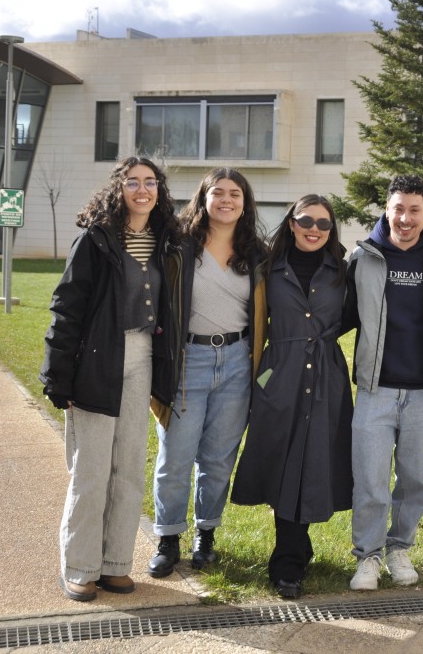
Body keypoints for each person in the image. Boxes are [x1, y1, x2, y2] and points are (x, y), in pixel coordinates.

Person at [41, 156, 180, 602]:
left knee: (129, 467)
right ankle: (80, 567)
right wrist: (58, 376)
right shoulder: (95, 239)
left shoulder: (165, 240)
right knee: (92, 470)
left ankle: (115, 564)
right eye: (132, 182)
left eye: (150, 182)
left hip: (143, 356)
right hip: (98, 360)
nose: (142, 190)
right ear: (118, 189)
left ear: (159, 190)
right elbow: (66, 307)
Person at [230, 195, 354, 600]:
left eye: (323, 223)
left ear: (331, 230)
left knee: (313, 461)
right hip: (278, 376)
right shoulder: (267, 268)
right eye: (306, 221)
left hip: (327, 377)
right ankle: (290, 557)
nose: (314, 229)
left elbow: (355, 317)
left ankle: (292, 556)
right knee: (283, 463)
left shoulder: (343, 271)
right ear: (291, 222)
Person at [147, 167, 266, 578]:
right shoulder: (178, 245)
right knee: (175, 457)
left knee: (217, 460)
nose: (227, 199)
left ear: (245, 204)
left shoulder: (257, 254)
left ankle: (206, 534)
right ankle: (167, 538)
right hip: (187, 361)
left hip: (237, 362)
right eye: (219, 192)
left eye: (235, 193)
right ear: (204, 197)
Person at [345, 175, 423, 591]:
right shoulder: (363, 258)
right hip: (375, 389)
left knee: (413, 480)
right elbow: (340, 315)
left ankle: (399, 548)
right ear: (386, 210)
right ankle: (368, 556)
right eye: (398, 209)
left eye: (414, 210)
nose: (405, 218)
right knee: (370, 479)